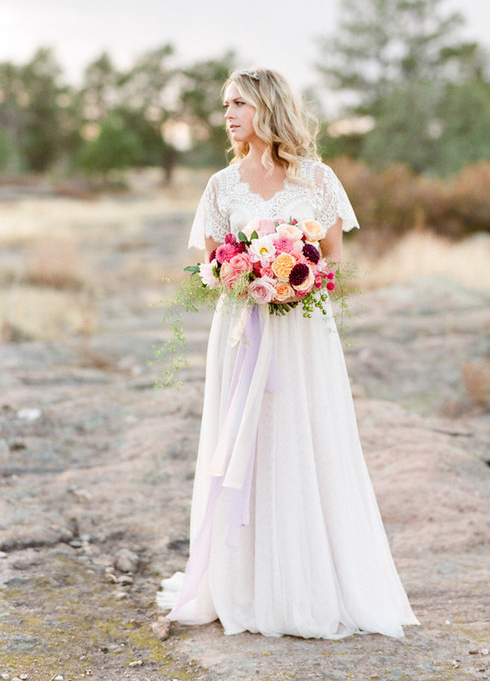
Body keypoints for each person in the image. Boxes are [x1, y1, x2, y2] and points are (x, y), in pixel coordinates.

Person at [157, 68, 418, 639]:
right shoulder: (221, 186)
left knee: (303, 437)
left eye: (239, 103)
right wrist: (243, 273)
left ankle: (308, 580)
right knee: (245, 440)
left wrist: (292, 279)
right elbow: (210, 265)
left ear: (268, 107)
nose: (228, 114)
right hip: (243, 328)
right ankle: (245, 581)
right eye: (226, 105)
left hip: (303, 331)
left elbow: (334, 261)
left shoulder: (319, 179)